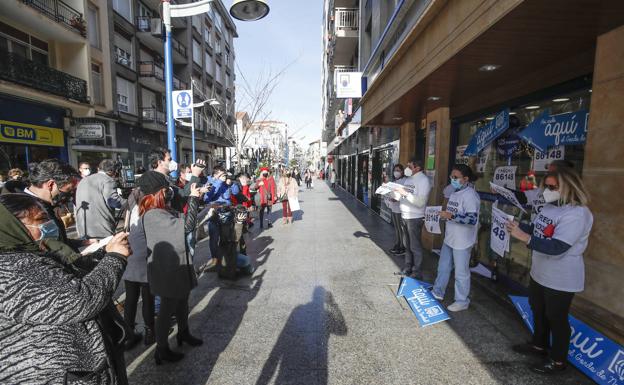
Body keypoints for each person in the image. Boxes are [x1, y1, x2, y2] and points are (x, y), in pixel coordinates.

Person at [0, 193, 132, 384]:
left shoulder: (28, 255)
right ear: (12, 227)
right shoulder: (12, 269)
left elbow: (66, 278)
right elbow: (81, 300)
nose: (48, 225)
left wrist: (105, 254)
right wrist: (115, 259)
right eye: (40, 220)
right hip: (48, 373)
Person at [507, 168, 593, 375]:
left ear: (570, 188)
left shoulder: (577, 214)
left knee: (556, 317)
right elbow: (537, 230)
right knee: (538, 309)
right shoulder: (549, 207)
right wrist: (519, 227)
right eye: (547, 186)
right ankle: (539, 345)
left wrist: (524, 237)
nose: (547, 190)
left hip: (561, 276)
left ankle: (557, 360)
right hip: (541, 271)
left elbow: (557, 247)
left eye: (553, 187)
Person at [137, 171, 203, 365]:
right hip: (166, 270)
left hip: (175, 266)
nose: (169, 193)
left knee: (182, 301)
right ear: (157, 193)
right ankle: (162, 349)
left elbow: (183, 222)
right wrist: (193, 199)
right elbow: (187, 226)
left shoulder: (161, 211)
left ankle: (183, 333)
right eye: (165, 190)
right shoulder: (152, 215)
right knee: (167, 310)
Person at [431, 164, 480, 312]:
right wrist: (443, 216)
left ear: (465, 179)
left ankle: (462, 300)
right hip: (450, 237)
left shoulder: (471, 195)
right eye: (451, 177)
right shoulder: (454, 192)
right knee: (443, 267)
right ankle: (438, 291)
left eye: (456, 177)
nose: (452, 179)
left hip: (463, 241)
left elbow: (472, 219)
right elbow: (451, 212)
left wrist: (451, 216)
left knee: (461, 272)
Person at [23, 159, 88, 252]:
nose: (69, 195)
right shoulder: (25, 211)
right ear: (51, 185)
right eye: (68, 190)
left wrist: (83, 243)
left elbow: (55, 241)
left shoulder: (44, 205)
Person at [121, 184, 155, 350]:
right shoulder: (149, 212)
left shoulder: (131, 206)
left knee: (130, 299)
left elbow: (125, 228)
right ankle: (150, 332)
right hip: (145, 258)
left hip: (130, 256)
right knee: (148, 298)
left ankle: (128, 335)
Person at [394, 158, 431, 279]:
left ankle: (417, 272)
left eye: (410, 166)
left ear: (417, 168)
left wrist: (404, 194)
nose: (407, 169)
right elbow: (403, 195)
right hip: (405, 216)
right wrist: (394, 194)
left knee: (415, 246)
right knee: (407, 245)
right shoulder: (409, 179)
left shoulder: (423, 180)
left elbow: (420, 202)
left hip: (414, 218)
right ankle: (408, 268)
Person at [75, 159, 127, 240]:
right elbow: (114, 202)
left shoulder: (83, 181)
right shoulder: (107, 180)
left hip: (83, 229)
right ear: (112, 171)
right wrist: (130, 201)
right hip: (101, 231)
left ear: (99, 169)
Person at [386, 164, 407, 255]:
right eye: (395, 170)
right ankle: (398, 243)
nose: (396, 172)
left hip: (400, 208)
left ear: (402, 172)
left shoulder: (404, 181)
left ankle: (402, 246)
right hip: (394, 207)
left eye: (398, 170)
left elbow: (405, 194)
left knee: (400, 228)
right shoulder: (394, 181)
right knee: (397, 228)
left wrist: (396, 198)